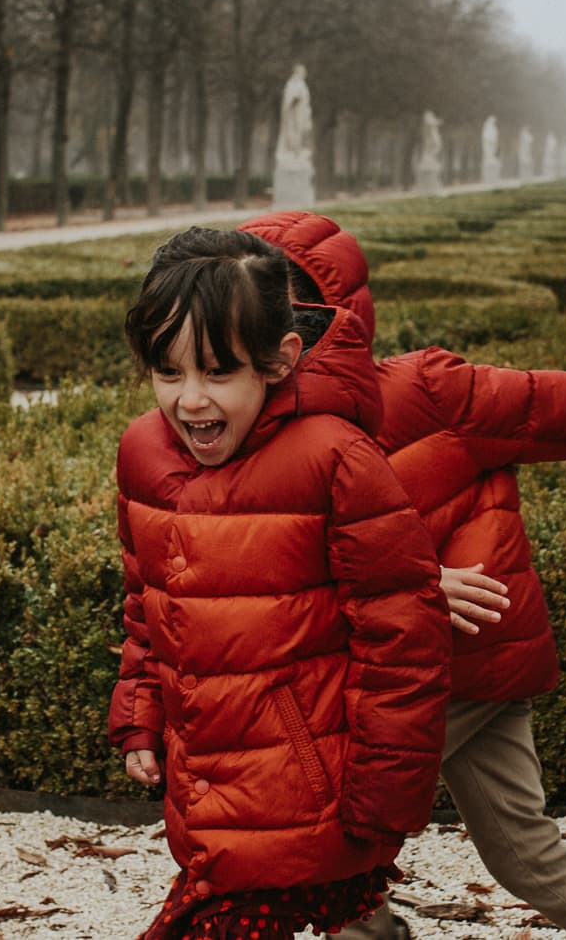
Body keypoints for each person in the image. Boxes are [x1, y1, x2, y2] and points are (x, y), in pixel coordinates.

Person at [240, 211, 566, 940]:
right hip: (493, 653)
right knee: (521, 842)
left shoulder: (328, 425)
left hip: (434, 662)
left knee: (334, 820)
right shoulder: (390, 399)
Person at [110, 227, 451, 940]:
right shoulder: (143, 454)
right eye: (168, 372)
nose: (191, 398)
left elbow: (404, 637)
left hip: (307, 797)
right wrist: (142, 711)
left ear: (279, 360)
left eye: (217, 371)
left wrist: (385, 792)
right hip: (209, 798)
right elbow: (147, 605)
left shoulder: (334, 459)